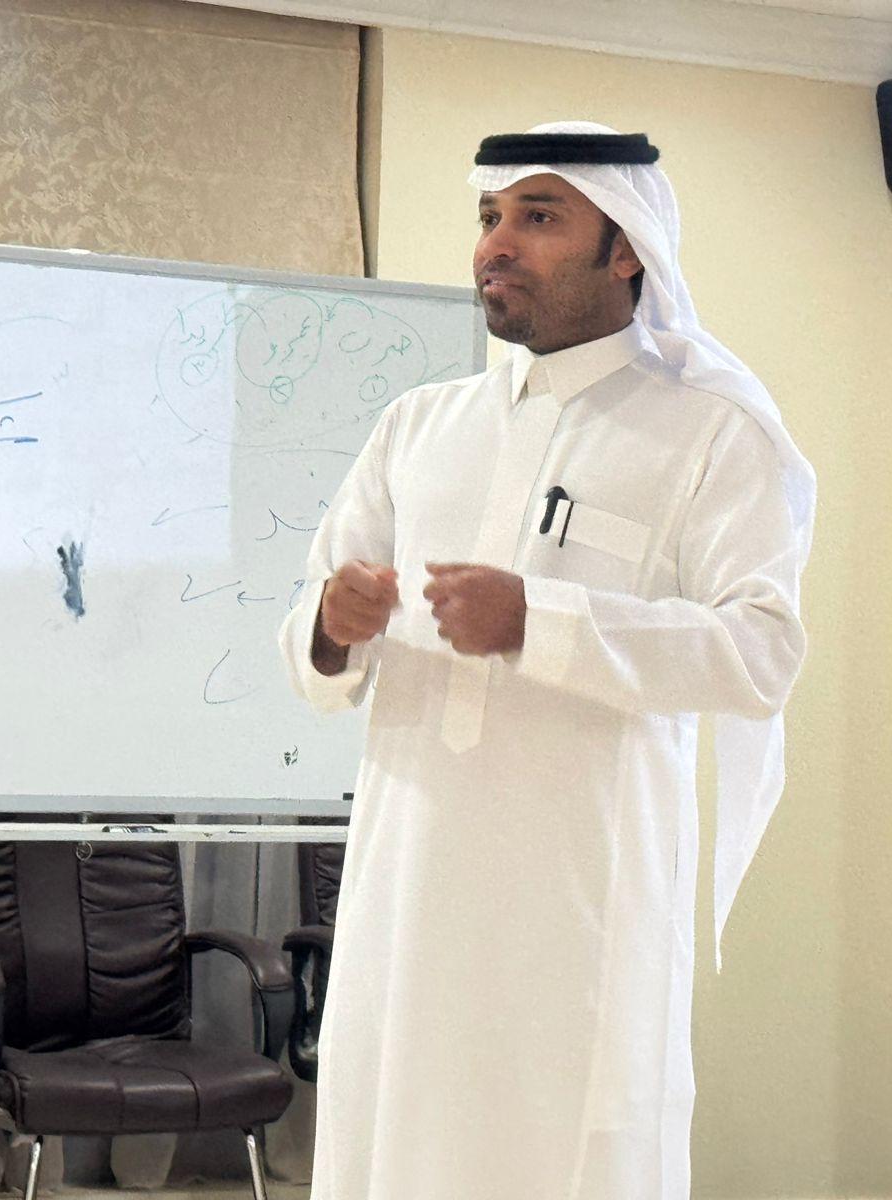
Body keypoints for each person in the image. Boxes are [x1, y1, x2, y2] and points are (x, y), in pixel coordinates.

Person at [278, 119, 816, 1200]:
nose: (496, 244)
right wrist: (333, 621)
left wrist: (538, 622)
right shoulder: (417, 425)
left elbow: (760, 653)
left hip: (580, 904)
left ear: (627, 249)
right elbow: (314, 641)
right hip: (408, 890)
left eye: (537, 217)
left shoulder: (710, 434)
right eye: (489, 216)